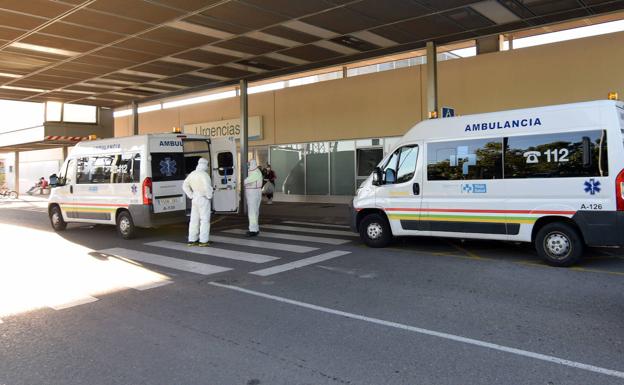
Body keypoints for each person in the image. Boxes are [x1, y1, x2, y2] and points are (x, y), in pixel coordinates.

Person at [182, 158, 213, 247]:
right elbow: (207, 187)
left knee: (194, 220)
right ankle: (203, 241)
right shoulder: (204, 175)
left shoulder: (192, 174)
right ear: (205, 165)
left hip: (194, 198)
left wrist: (191, 195)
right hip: (203, 199)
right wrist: (209, 196)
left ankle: (192, 240)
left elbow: (184, 186)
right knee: (204, 220)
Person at [244, 159, 263, 236]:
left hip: (253, 194)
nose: (248, 165)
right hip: (254, 193)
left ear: (252, 164)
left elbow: (246, 181)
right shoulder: (255, 171)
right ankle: (255, 228)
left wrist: (245, 181)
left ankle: (253, 230)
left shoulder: (255, 172)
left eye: (249, 164)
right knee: (254, 212)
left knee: (252, 212)